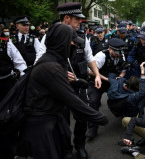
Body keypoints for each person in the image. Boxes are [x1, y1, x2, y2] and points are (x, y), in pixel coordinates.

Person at [21, 23, 108, 159]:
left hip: (49, 121)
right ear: (62, 43)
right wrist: (99, 118)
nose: (74, 46)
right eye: (72, 43)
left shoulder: (53, 62)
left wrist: (79, 82)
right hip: (42, 128)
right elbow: (72, 100)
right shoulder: (51, 67)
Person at [86, 38, 127, 139]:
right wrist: (106, 79)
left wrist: (120, 77)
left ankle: (124, 119)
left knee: (122, 98)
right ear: (110, 49)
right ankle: (92, 128)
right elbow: (90, 71)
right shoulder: (101, 56)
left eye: (120, 53)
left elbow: (124, 69)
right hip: (97, 80)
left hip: (112, 81)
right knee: (93, 102)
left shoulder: (121, 55)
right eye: (116, 52)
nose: (119, 54)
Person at [0, 26, 27, 159]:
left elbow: (20, 64)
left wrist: (24, 83)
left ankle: (12, 151)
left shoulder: (6, 43)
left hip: (6, 86)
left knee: (9, 118)